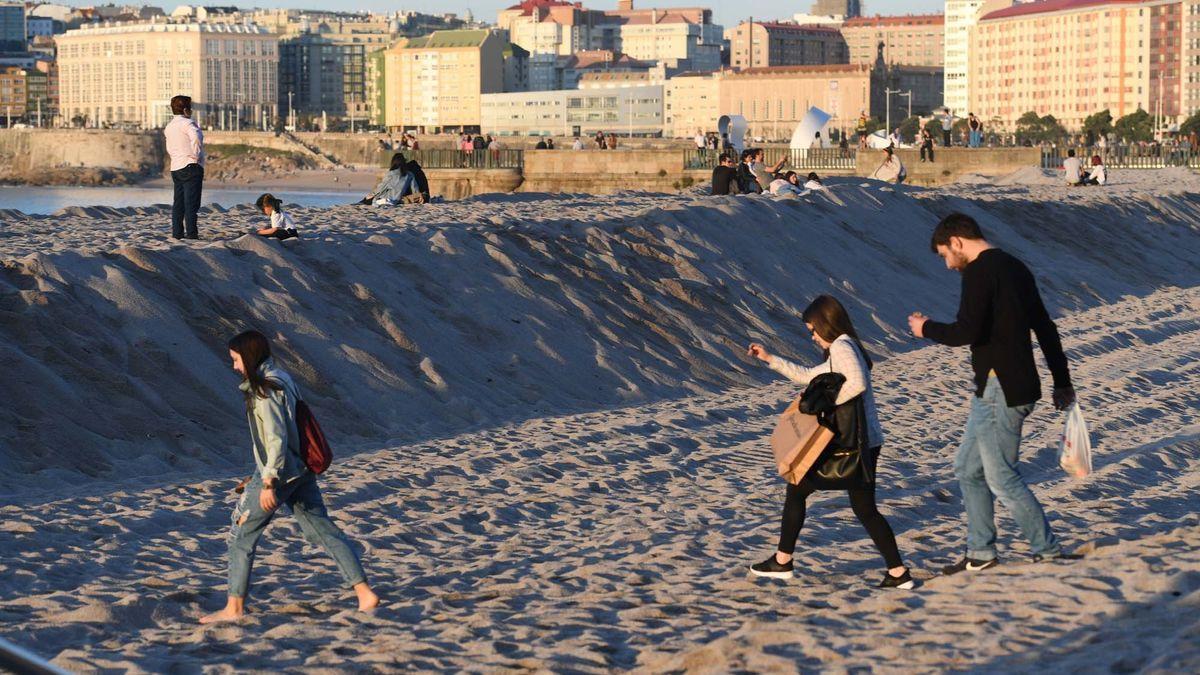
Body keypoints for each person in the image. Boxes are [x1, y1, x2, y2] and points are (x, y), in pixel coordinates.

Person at [907, 214, 1078, 574]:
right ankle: (981, 553)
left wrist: (926, 329)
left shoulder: (980, 271)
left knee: (1000, 475)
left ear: (956, 241)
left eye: (944, 255)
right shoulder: (1015, 267)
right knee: (968, 469)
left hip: (1004, 386)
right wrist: (1062, 380)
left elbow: (965, 331)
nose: (948, 264)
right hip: (996, 385)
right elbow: (1045, 327)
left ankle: (1047, 550)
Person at [200, 330, 379, 624]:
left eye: (236, 359)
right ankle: (364, 593)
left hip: (280, 472)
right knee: (322, 529)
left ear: (249, 356)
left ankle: (233, 609)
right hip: (301, 470)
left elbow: (275, 438)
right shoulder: (283, 378)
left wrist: (268, 480)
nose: (233, 366)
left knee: (241, 534)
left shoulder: (264, 390)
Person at [746, 296, 914, 589]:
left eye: (813, 330)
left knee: (799, 489)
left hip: (854, 442)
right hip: (863, 442)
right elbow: (808, 376)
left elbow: (858, 383)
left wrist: (831, 401)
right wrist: (769, 358)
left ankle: (783, 561)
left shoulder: (842, 347)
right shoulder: (842, 348)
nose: (812, 336)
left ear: (826, 324)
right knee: (863, 508)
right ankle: (898, 574)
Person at [164, 94, 205, 240]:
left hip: (176, 167)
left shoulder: (169, 127)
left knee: (178, 203)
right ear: (186, 110)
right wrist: (196, 155)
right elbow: (197, 137)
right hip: (190, 165)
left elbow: (169, 147)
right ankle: (192, 234)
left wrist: (176, 157)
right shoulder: (188, 124)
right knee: (191, 204)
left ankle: (177, 234)